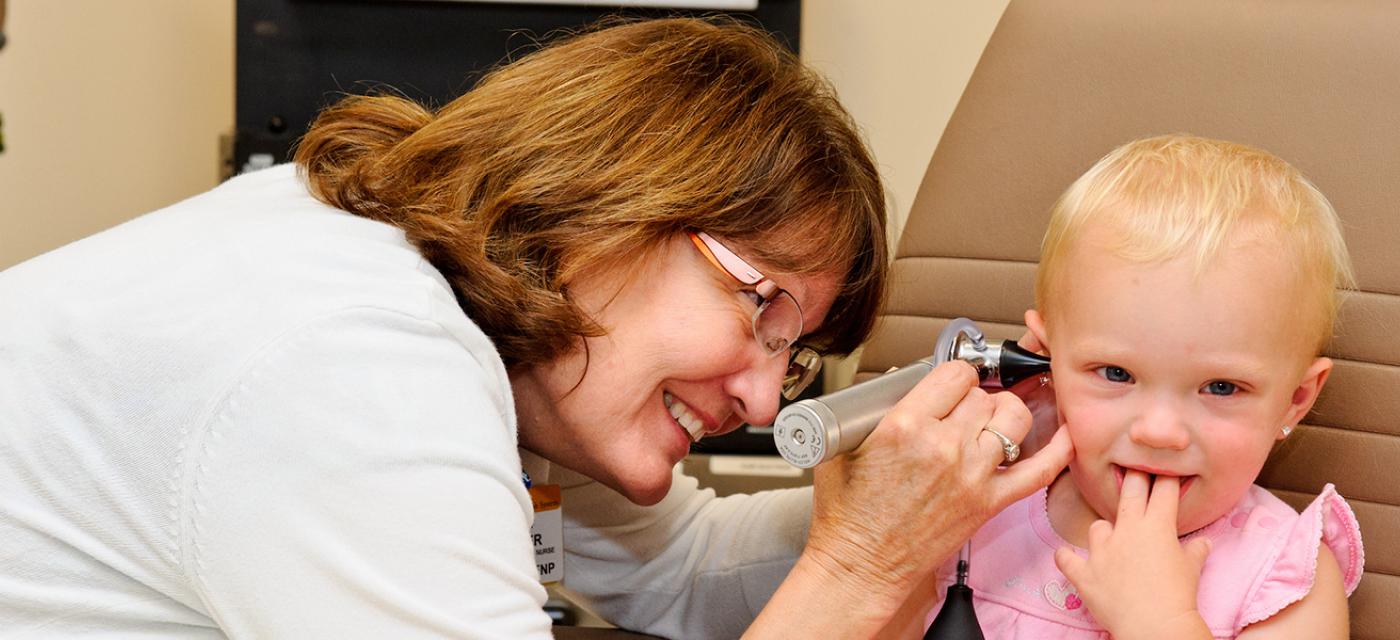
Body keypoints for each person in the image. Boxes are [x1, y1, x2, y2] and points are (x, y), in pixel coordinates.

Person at [0, 17, 1072, 639]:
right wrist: (860, 569)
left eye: (791, 363)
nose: (758, 395)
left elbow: (689, 566)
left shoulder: (491, 325)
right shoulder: (353, 363)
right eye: (761, 311)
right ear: (614, 202)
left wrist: (907, 495)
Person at [885, 135, 1365, 639]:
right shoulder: (973, 510)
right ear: (1045, 364)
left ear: (1295, 400)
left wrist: (1159, 623)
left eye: (1221, 387)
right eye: (1116, 374)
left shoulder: (1283, 580)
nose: (1159, 432)